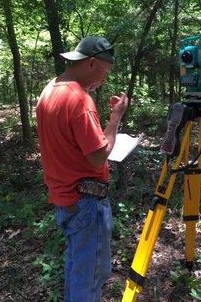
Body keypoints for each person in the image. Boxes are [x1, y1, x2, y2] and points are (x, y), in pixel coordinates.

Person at [36, 35, 128, 302]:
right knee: (90, 278)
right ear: (90, 63)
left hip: (65, 200)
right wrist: (115, 117)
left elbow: (70, 143)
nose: (105, 77)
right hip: (86, 202)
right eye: (104, 70)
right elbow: (99, 156)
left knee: (77, 268)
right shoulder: (79, 99)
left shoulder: (51, 89)